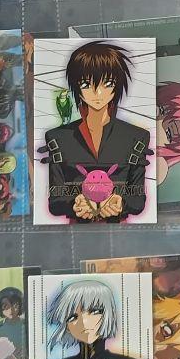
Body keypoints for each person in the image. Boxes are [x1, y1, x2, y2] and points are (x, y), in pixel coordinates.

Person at [44, 41, 150, 223]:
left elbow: (138, 200)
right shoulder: (57, 138)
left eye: (107, 83)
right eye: (86, 84)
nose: (97, 93)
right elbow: (55, 201)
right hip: (76, 231)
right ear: (77, 87)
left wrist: (121, 203)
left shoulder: (136, 137)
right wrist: (74, 203)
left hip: (120, 230)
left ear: (117, 85)